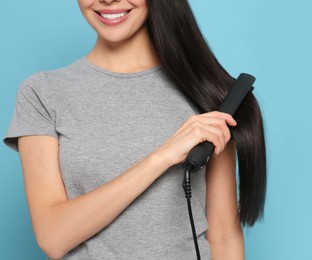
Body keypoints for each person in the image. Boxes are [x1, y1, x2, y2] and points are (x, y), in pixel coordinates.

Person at [3, 0, 267, 259]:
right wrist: (162, 157)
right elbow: (53, 237)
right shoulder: (43, 92)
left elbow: (223, 236)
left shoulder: (208, 96)